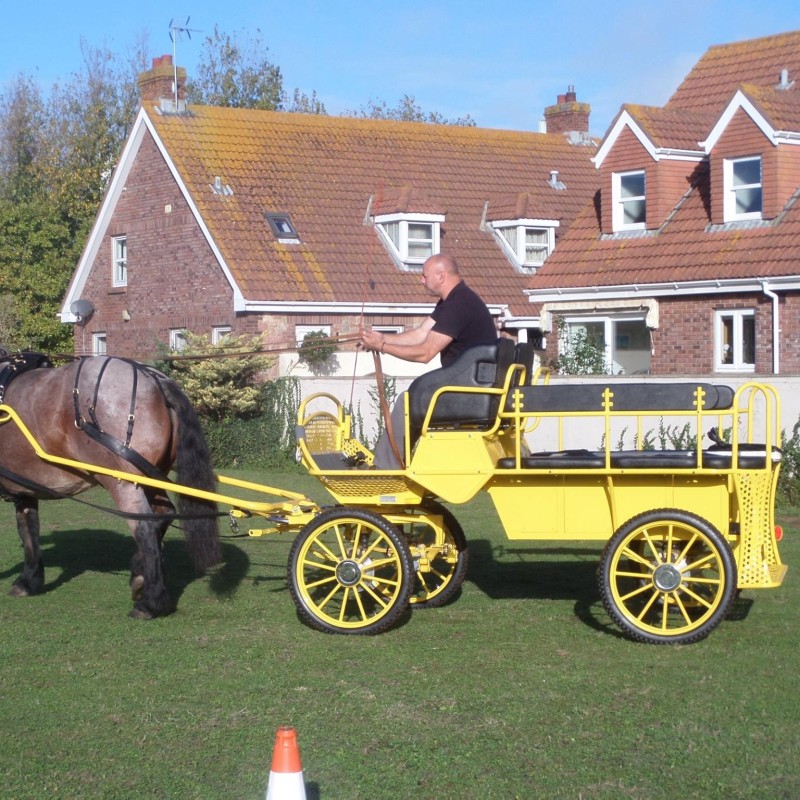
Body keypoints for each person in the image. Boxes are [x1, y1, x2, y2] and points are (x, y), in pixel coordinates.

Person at [359, 253, 497, 468]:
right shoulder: (453, 301)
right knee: (415, 398)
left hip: (469, 393)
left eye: (424, 276)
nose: (421, 280)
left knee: (408, 402)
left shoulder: (458, 305)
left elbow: (425, 353)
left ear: (441, 276)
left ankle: (385, 469)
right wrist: (382, 338)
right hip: (473, 388)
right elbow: (421, 333)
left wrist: (382, 347)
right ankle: (399, 464)